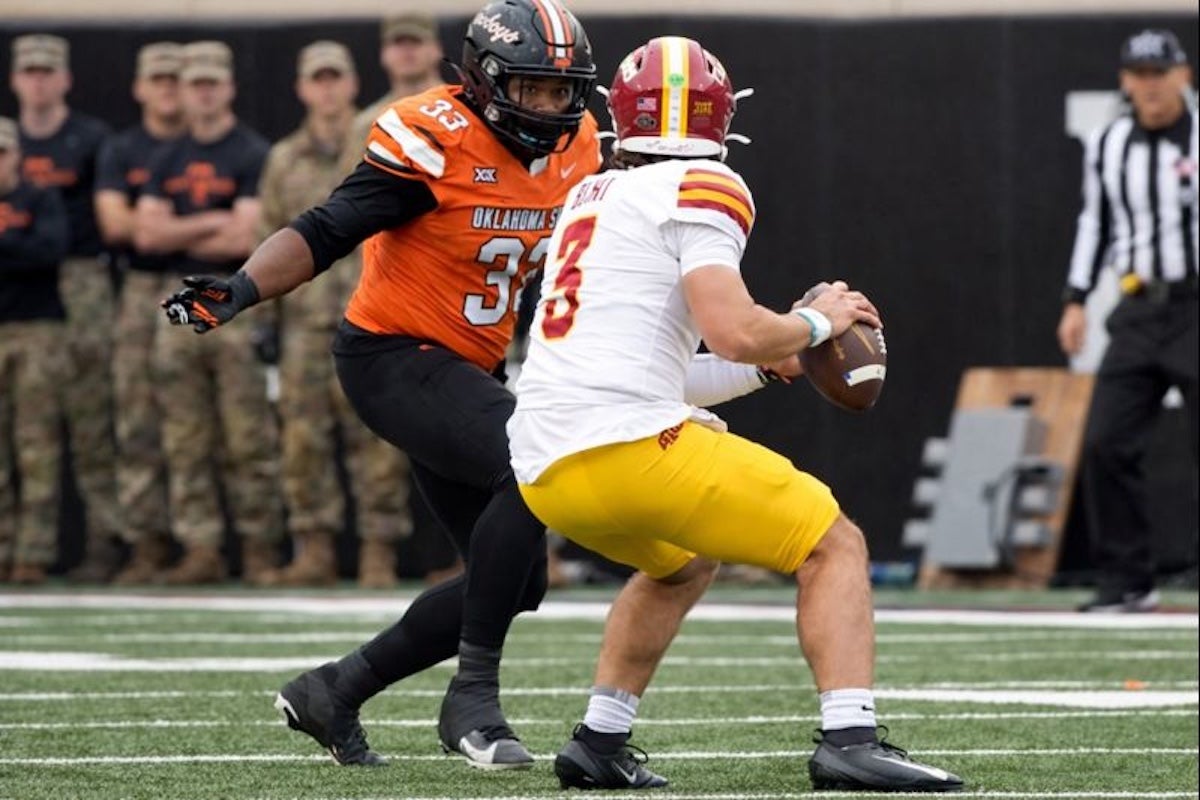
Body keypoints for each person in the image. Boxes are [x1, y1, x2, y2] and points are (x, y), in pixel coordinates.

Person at [508, 36, 964, 792]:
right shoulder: (707, 183)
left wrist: (765, 363)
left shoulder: (590, 195)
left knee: (681, 563)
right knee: (833, 542)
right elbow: (734, 327)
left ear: (622, 117)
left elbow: (668, 367)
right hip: (629, 448)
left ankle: (598, 740)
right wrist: (816, 320)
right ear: (722, 119)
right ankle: (849, 737)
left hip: (545, 467)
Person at [161, 0, 600, 768]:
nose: (549, 107)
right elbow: (329, 227)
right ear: (484, 80)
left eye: (562, 93)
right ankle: (474, 697)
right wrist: (241, 288)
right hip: (391, 355)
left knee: (518, 579)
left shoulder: (581, 148)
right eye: (531, 90)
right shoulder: (434, 136)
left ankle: (336, 689)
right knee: (532, 462)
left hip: (470, 367)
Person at [256, 40, 413, 588]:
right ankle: (315, 549)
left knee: (376, 440)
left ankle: (378, 552)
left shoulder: (380, 136)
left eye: (336, 77)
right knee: (302, 440)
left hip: (367, 309)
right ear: (302, 87)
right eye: (316, 79)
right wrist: (265, 323)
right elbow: (269, 234)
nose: (327, 89)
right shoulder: (283, 159)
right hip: (303, 321)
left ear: (351, 83)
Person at [1057, 29, 1198, 614]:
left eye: (1160, 73)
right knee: (1107, 443)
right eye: (1139, 74)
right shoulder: (1109, 143)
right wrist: (1076, 298)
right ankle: (1129, 577)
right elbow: (1097, 223)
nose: (1150, 85)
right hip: (1139, 309)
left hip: (1197, 306)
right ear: (1125, 81)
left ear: (1183, 75)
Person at [135, 40, 283, 585]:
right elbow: (146, 233)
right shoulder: (165, 156)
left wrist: (183, 226)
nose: (202, 93)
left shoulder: (249, 152)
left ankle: (259, 548)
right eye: (194, 84)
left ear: (228, 88)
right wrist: (211, 222)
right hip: (178, 304)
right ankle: (201, 546)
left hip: (234, 298)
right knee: (183, 433)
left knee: (247, 434)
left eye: (211, 83)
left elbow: (246, 233)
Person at [334, 12, 454, 586]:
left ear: (434, 48)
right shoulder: (368, 122)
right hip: (389, 294)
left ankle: (472, 552)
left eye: (416, 42)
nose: (406, 54)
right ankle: (378, 550)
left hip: (461, 298)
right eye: (396, 45)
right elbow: (346, 213)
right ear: (384, 54)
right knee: (378, 443)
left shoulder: (465, 115)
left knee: (470, 432)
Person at [10, 33, 119, 581]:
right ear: (15, 78)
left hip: (81, 280)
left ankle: (102, 542)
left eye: (48, 71)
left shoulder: (90, 138)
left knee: (91, 416)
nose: (39, 80)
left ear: (66, 79)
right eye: (29, 71)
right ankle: (20, 546)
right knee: (30, 426)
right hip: (20, 295)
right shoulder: (9, 140)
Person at [94, 42, 187, 585]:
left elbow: (243, 231)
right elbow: (120, 227)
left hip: (197, 282)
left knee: (193, 423)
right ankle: (145, 544)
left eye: (177, 79)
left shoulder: (219, 147)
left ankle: (201, 545)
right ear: (140, 88)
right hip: (136, 289)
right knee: (136, 418)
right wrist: (200, 223)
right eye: (159, 80)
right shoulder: (122, 147)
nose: (169, 90)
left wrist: (164, 227)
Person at [0, 115, 70, 585]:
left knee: (37, 446)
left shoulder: (41, 198)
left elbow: (48, 252)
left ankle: (33, 553)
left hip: (37, 331)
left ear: (18, 156)